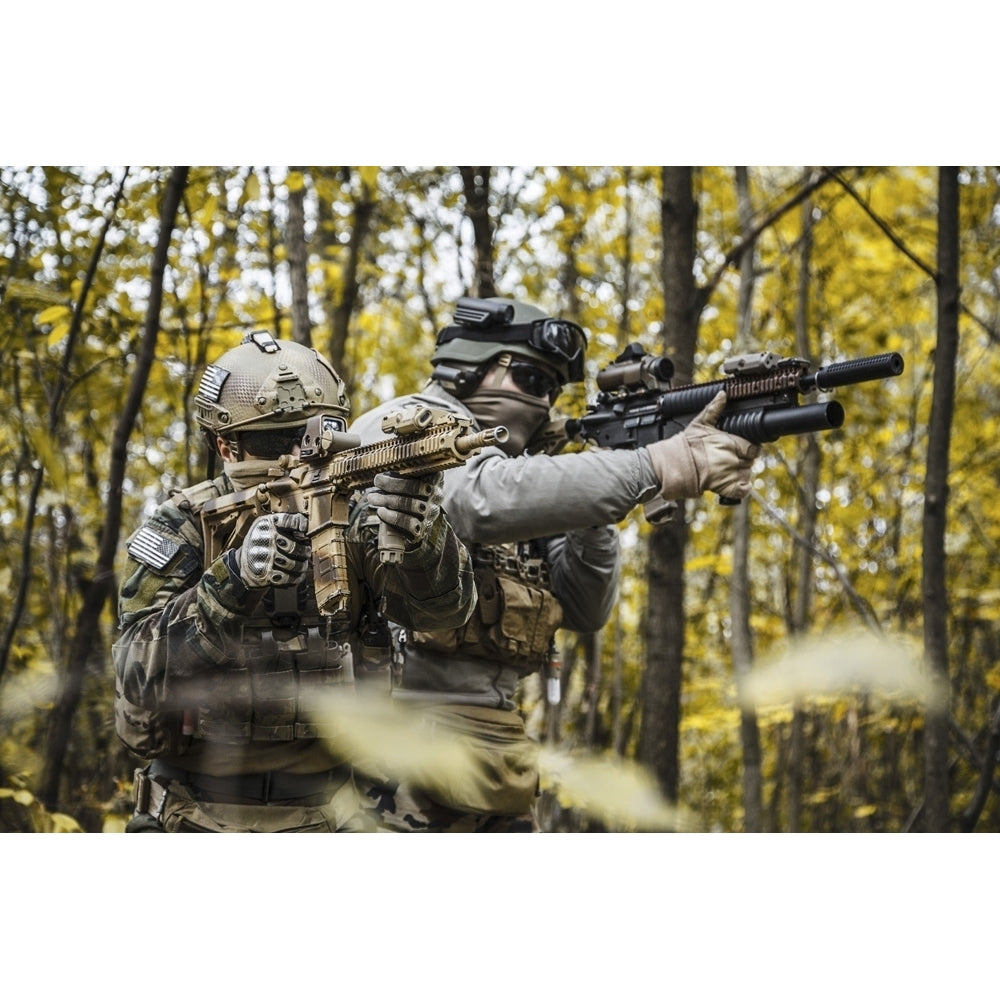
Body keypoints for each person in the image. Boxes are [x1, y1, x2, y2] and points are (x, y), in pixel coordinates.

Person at [347, 296, 761, 832]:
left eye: (551, 388)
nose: (542, 401)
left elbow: (585, 608)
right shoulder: (406, 424)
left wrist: (594, 510)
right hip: (393, 758)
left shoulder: (523, 471)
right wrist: (658, 463)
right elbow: (477, 499)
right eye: (528, 378)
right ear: (470, 365)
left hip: (498, 764)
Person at [113, 330, 476, 832]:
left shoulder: (360, 514)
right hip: (195, 811)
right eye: (272, 444)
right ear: (227, 444)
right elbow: (133, 671)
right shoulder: (186, 523)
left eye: (306, 439)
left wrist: (420, 536)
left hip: (332, 810)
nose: (292, 458)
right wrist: (233, 579)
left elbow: (443, 614)